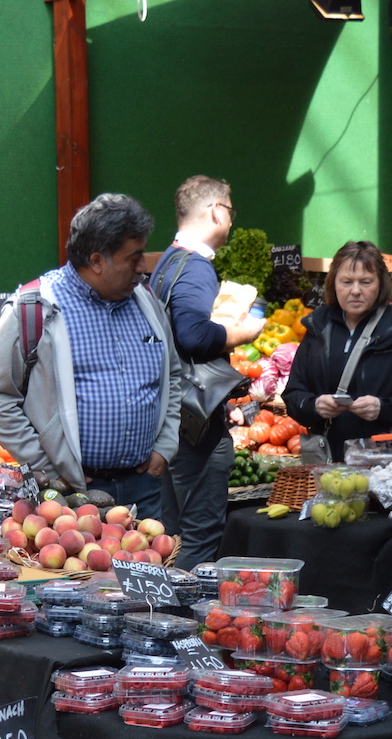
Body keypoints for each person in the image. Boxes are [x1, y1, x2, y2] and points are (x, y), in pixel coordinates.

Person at [0, 194, 184, 518]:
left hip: (144, 490)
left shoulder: (145, 300)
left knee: (145, 568)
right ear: (97, 260)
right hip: (70, 498)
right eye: (134, 257)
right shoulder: (34, 309)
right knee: (84, 571)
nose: (144, 267)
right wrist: (45, 463)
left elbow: (172, 375)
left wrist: (166, 444)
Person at [151, 175, 264, 568]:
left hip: (172, 416)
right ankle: (179, 624)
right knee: (199, 540)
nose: (231, 221)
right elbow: (196, 336)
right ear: (217, 211)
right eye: (230, 211)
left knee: (173, 533)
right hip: (194, 425)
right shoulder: (196, 267)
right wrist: (243, 332)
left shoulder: (167, 261)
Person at [283, 240, 392, 461]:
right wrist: (314, 406)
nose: (356, 291)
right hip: (331, 462)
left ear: (381, 284)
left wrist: (384, 408)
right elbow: (294, 394)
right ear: (334, 284)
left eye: (366, 282)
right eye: (347, 282)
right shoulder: (318, 326)